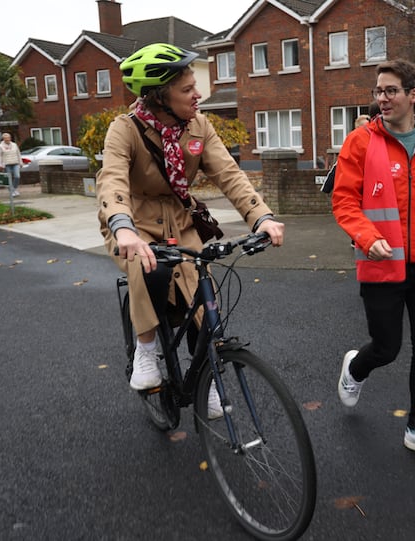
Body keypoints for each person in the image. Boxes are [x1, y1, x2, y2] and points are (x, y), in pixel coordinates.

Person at [96, 43, 284, 413]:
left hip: (181, 220)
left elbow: (229, 175)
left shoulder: (199, 126)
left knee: (203, 297)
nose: (198, 94)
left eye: (194, 85)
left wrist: (260, 216)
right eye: (187, 89)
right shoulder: (125, 130)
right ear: (158, 97)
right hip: (135, 220)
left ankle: (206, 381)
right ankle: (146, 351)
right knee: (151, 266)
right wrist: (123, 227)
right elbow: (113, 181)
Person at [332, 59, 415, 465]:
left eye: (390, 91)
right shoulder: (360, 142)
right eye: (379, 92)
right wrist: (367, 238)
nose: (382, 98)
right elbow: (344, 201)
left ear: (413, 95)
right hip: (382, 265)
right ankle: (356, 368)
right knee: (387, 348)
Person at [0, 133, 22, 197]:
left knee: (17, 176)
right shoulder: (0, 146)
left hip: (15, 162)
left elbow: (18, 153)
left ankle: (14, 188)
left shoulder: (14, 145)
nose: (7, 139)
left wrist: (20, 162)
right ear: (3, 139)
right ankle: (12, 191)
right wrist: (0, 164)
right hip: (7, 164)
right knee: (9, 178)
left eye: (8, 138)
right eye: (6, 138)